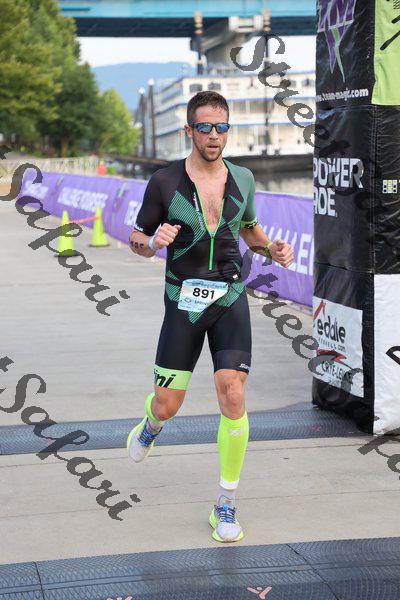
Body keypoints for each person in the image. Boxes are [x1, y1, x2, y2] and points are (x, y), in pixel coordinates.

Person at [127, 91, 294, 543]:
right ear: (189, 130)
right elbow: (137, 238)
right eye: (205, 127)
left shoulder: (243, 178)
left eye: (222, 127)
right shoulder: (164, 182)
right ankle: (151, 425)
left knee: (233, 393)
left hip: (230, 297)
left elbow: (249, 230)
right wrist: (153, 243)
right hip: (183, 302)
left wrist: (272, 250)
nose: (214, 135)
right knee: (168, 404)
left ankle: (225, 502)